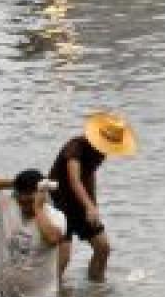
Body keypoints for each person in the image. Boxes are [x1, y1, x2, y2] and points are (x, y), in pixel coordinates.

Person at [47, 112, 136, 284]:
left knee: (103, 247)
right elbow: (74, 180)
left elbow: (89, 175)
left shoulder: (100, 152)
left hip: (80, 202)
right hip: (59, 201)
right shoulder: (75, 147)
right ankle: (52, 291)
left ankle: (97, 288)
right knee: (64, 255)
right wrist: (88, 206)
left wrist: (93, 205)